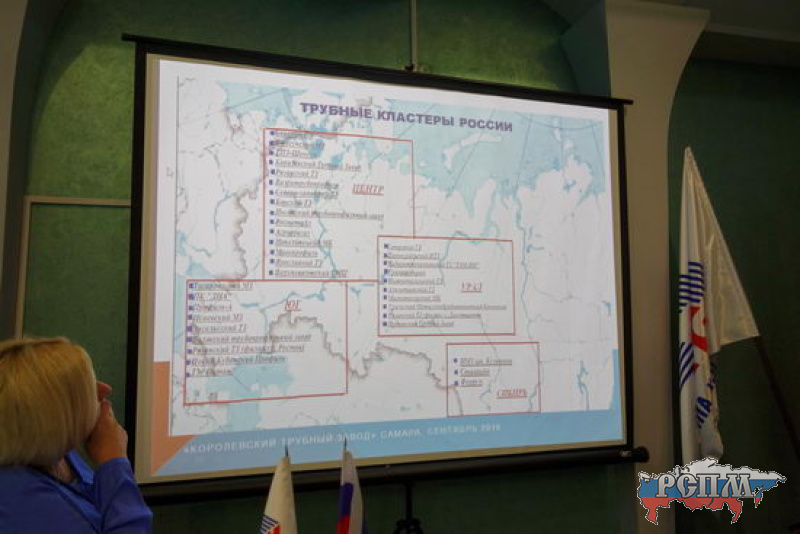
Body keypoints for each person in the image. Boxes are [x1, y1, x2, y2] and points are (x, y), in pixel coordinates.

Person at [0, 337, 152, 533]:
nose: (104, 389)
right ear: (57, 415)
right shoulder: (19, 499)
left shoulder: (60, 454)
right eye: (85, 387)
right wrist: (114, 461)